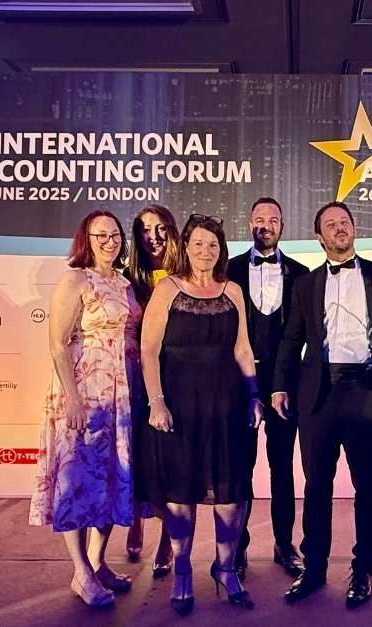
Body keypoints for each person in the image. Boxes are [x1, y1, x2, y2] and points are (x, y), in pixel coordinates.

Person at [135, 214, 266, 616]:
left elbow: (243, 349)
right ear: (185, 248)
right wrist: (156, 401)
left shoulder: (233, 290)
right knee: (180, 493)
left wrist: (254, 395)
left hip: (227, 404)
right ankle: (183, 571)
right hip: (178, 405)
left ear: (221, 250)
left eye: (213, 245)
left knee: (231, 494)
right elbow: (148, 349)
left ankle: (225, 568)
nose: (205, 251)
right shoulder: (167, 289)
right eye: (198, 244)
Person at [271, 201, 372, 609]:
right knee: (316, 486)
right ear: (319, 237)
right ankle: (314, 568)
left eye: (345, 222)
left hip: (364, 388)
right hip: (317, 392)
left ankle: (364, 569)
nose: (340, 228)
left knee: (367, 486)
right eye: (331, 224)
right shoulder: (305, 284)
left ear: (354, 229)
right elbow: (292, 338)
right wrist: (279, 386)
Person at [28, 210, 140, 607]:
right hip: (86, 392)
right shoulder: (75, 279)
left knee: (111, 478)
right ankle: (80, 573)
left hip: (123, 393)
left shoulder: (125, 283)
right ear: (86, 240)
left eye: (115, 235)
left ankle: (96, 562)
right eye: (100, 235)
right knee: (77, 480)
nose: (109, 241)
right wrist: (73, 400)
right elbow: (57, 343)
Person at [225, 197, 310, 580]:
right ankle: (238, 548)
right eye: (259, 219)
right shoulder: (228, 270)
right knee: (239, 468)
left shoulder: (302, 274)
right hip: (236, 383)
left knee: (282, 468)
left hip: (285, 386)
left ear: (282, 226)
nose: (266, 225)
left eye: (272, 219)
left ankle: (284, 545)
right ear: (249, 225)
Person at [123, 204, 181, 577]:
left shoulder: (187, 273)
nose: (153, 237)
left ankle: (166, 535)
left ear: (172, 231)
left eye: (160, 228)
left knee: (170, 460)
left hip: (175, 376)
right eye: (145, 230)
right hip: (136, 377)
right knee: (137, 454)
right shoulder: (128, 277)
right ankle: (136, 520)